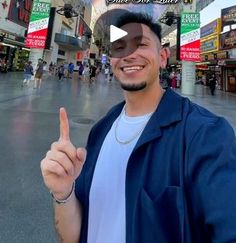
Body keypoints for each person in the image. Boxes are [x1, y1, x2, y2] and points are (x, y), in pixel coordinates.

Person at [40, 12, 236, 243]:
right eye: (119, 47)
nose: (129, 55)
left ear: (163, 56)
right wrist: (64, 194)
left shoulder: (204, 134)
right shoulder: (101, 131)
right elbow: (72, 237)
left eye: (141, 44)